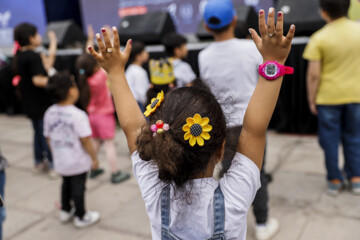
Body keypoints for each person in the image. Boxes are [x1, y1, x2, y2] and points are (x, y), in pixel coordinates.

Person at [88, 7, 295, 239]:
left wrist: (115, 72)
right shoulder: (235, 197)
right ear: (221, 148)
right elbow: (254, 130)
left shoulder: (153, 192)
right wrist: (274, 61)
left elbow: (133, 127)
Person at [198, 1, 277, 239]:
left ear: (206, 26)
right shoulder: (251, 49)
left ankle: (227, 220)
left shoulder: (203, 56)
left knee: (226, 172)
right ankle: (262, 225)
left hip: (222, 126)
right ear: (234, 20)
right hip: (252, 122)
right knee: (255, 173)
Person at [303, 0, 360, 196]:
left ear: (323, 12)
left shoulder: (319, 38)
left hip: (328, 99)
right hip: (356, 96)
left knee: (329, 141)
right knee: (354, 138)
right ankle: (355, 178)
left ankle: (335, 180)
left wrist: (311, 99)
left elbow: (313, 75)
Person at [44, 72, 100, 228]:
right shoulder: (78, 115)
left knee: (65, 184)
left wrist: (55, 153)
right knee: (78, 188)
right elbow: (86, 140)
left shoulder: (49, 112)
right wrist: (94, 158)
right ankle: (81, 216)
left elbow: (48, 137)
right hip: (77, 161)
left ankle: (66, 210)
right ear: (71, 91)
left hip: (61, 159)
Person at [76, 53, 130, 184]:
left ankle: (92, 167)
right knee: (109, 144)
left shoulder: (86, 79)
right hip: (104, 116)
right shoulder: (100, 76)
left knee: (96, 142)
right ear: (94, 66)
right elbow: (107, 65)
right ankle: (115, 172)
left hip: (92, 115)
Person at [13, 23, 57, 177]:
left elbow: (45, 66)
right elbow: (38, 79)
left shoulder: (20, 55)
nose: (39, 36)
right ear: (30, 38)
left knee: (38, 132)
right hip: (40, 103)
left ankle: (38, 162)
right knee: (46, 135)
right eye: (37, 34)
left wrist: (53, 44)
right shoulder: (33, 56)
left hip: (29, 103)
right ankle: (53, 165)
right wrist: (56, 82)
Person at [125, 41, 150, 112]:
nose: (147, 53)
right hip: (138, 106)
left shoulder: (130, 69)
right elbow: (142, 94)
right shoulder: (139, 72)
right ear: (138, 56)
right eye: (144, 52)